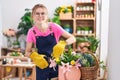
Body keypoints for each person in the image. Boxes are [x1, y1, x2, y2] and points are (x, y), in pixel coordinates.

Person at [25, 4, 76, 80]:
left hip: (57, 64)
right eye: (37, 13)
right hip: (41, 65)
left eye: (43, 13)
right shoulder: (31, 32)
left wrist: (63, 44)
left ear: (47, 16)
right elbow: (27, 52)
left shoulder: (53, 27)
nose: (40, 16)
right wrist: (34, 56)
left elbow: (72, 38)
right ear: (33, 16)